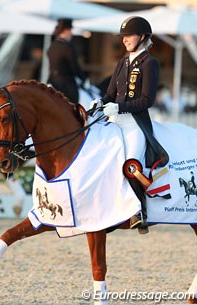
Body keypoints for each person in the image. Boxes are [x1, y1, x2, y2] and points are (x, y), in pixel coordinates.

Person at [91, 16, 169, 234]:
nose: (124, 40)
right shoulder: (122, 62)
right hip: (115, 120)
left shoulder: (150, 63)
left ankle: (139, 211)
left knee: (131, 163)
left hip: (135, 123)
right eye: (123, 36)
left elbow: (147, 100)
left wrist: (119, 107)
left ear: (142, 37)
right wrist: (100, 102)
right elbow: (110, 94)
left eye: (129, 35)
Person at [47, 18, 87, 105]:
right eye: (70, 30)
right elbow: (74, 67)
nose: (71, 33)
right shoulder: (67, 47)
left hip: (52, 82)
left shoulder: (52, 46)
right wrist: (84, 78)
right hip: (66, 86)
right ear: (66, 31)